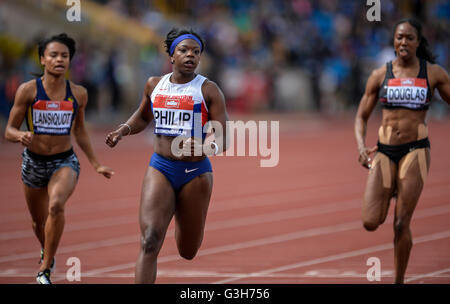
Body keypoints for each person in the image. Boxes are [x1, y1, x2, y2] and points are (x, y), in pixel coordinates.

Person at [106, 28, 228, 284]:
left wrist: (209, 148)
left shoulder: (208, 90)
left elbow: (223, 136)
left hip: (195, 173)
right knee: (149, 240)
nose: (190, 55)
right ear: (172, 55)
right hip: (160, 167)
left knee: (188, 251)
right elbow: (142, 117)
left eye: (196, 52)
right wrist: (123, 130)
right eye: (183, 50)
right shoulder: (154, 84)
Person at [4, 33, 114, 284]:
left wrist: (96, 164)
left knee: (56, 206)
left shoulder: (78, 94)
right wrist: (20, 135)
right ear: (43, 59)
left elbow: (80, 131)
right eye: (53, 55)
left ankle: (44, 268)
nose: (59, 60)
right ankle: (47, 250)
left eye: (64, 56)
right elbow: (8, 130)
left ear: (70, 61)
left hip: (64, 161)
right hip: (33, 162)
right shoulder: (28, 91)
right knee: (37, 222)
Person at [354, 19, 450, 283]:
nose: (403, 42)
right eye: (399, 38)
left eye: (409, 38)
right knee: (370, 221)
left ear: (418, 42)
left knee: (400, 224)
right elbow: (361, 116)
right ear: (393, 41)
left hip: (415, 151)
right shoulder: (379, 74)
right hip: (384, 151)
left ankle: (398, 280)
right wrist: (361, 146)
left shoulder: (433, 73)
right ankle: (392, 188)